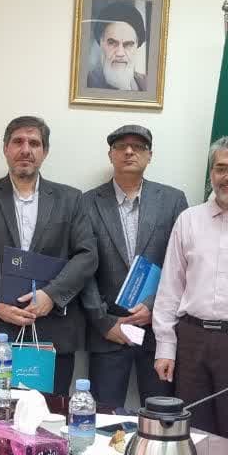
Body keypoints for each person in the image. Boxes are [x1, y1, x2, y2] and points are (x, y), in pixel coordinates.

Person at [0, 115, 97, 394]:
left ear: (45, 151)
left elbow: (87, 255)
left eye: (34, 143)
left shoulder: (71, 199)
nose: (25, 149)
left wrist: (51, 296)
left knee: (49, 415)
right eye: (18, 142)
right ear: (5, 148)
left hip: (53, 330)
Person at [152, 136, 228, 435]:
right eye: (221, 168)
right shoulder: (188, 219)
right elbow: (171, 287)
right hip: (192, 340)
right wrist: (165, 347)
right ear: (211, 175)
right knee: (192, 431)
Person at [80, 124, 188, 406]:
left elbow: (182, 265)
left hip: (158, 330)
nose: (129, 152)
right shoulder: (86, 202)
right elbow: (82, 269)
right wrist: (104, 322)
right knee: (103, 416)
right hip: (108, 331)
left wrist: (154, 307)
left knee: (161, 415)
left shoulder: (173, 200)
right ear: (110, 154)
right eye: (121, 146)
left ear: (150, 155)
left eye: (138, 147)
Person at [86, 0, 148, 91]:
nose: (120, 53)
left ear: (137, 46)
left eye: (128, 45)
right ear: (101, 43)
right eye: (112, 43)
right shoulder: (86, 83)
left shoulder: (147, 84)